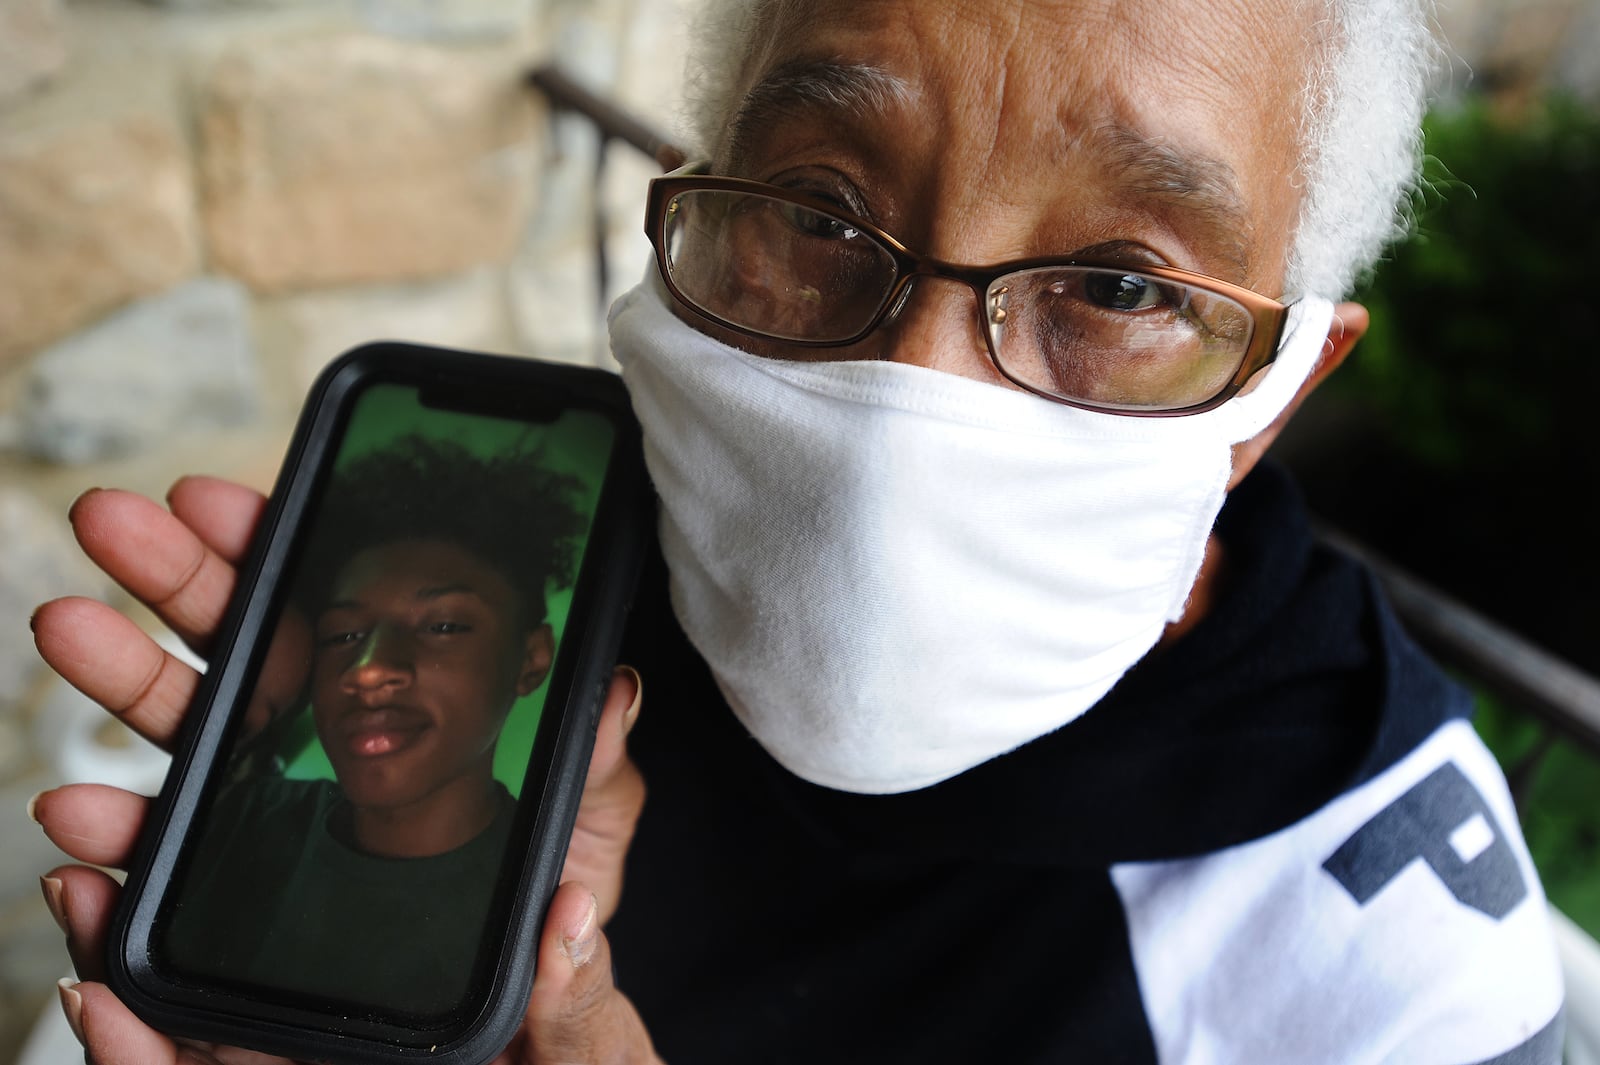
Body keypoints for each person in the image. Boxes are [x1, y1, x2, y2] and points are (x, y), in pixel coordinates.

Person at [28, 0, 1567, 1062]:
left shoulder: (1386, 963)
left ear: (1281, 392)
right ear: (702, 202)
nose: (911, 396)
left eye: (1121, 286)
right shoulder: (531, 581)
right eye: (824, 217)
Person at [158, 436, 584, 1016]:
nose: (368, 671)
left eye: (444, 626)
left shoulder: (541, 901)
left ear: (532, 658)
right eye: (342, 636)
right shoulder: (240, 817)